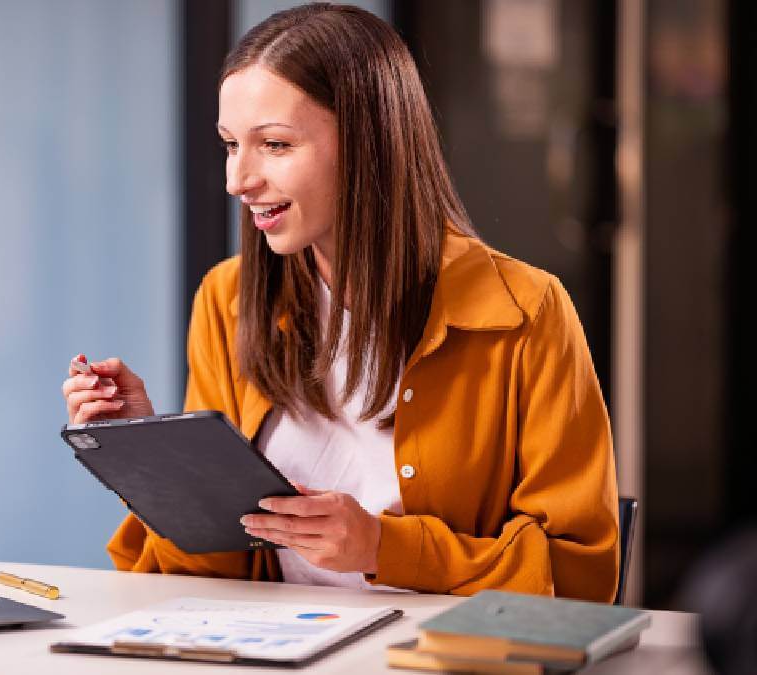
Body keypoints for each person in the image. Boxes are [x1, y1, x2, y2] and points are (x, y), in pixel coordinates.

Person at [61, 3, 618, 602]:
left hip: (441, 647)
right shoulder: (227, 298)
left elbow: (578, 574)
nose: (237, 180)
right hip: (276, 644)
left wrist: (383, 548)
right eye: (230, 145)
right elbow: (208, 575)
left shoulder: (526, 313)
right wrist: (157, 459)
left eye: (275, 144)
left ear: (370, 144)